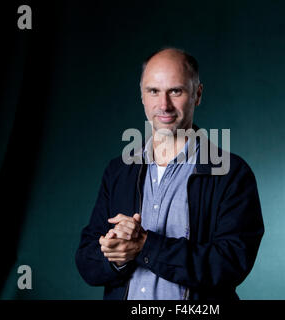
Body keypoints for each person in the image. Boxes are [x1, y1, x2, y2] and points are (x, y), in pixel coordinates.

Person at [75, 47, 264, 300]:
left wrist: (145, 245)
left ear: (197, 94)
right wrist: (115, 255)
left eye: (176, 91)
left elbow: (230, 264)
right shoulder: (119, 171)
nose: (163, 105)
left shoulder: (231, 173)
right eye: (153, 91)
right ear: (142, 96)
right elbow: (87, 260)